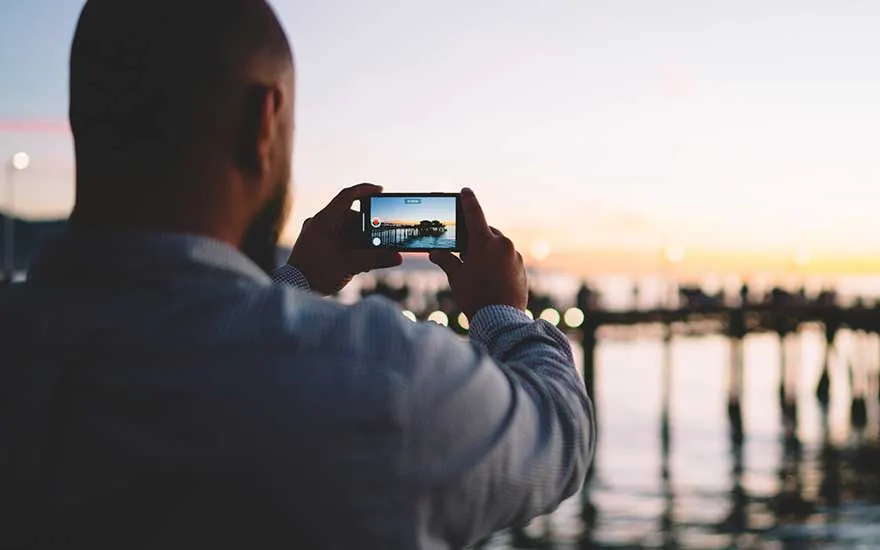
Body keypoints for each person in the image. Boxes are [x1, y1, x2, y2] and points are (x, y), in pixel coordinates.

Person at [0, 1, 595, 548]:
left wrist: (295, 283)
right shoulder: (376, 374)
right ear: (265, 121)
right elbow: (558, 438)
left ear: (81, 119)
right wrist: (502, 313)